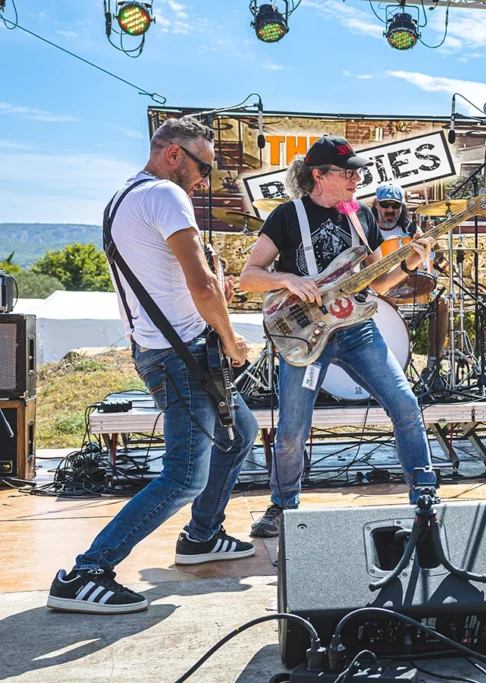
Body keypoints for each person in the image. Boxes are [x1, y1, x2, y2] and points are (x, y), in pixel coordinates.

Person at [47, 117, 259, 614]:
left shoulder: (124, 198)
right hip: (180, 356)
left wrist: (211, 304)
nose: (205, 180)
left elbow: (177, 284)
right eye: (203, 166)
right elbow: (202, 285)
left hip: (175, 347)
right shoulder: (166, 195)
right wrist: (231, 339)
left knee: (240, 433)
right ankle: (86, 573)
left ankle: (201, 536)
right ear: (173, 155)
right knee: (184, 476)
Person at [240, 136, 436, 538]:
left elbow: (379, 283)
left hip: (358, 330)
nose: (357, 178)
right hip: (305, 335)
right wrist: (288, 279)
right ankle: (282, 504)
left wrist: (412, 259)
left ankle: (425, 496)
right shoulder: (286, 215)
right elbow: (248, 277)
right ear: (319, 175)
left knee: (405, 403)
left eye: (358, 171)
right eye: (348, 172)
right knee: (293, 427)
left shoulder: (361, 217)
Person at [371, 182, 449, 387]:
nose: (390, 210)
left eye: (395, 206)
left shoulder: (410, 228)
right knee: (387, 300)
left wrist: (431, 244)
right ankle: (391, 368)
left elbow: (430, 256)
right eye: (385, 205)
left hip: (413, 286)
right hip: (382, 290)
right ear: (376, 204)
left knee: (441, 304)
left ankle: (433, 366)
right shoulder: (367, 227)